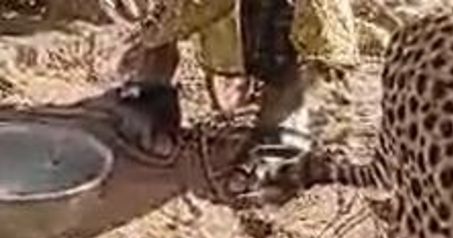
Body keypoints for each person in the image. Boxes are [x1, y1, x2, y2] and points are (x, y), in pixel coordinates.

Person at [117, 0, 392, 163]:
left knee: (279, 145)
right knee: (162, 33)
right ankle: (148, 112)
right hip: (241, 33)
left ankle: (288, 124)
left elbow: (325, 48)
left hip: (294, 44)